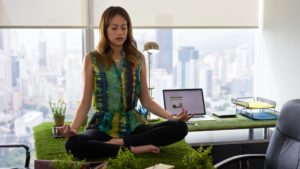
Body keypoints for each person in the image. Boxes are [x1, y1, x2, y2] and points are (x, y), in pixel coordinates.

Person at [61, 6, 189, 159]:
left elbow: (146, 100)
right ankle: (133, 149)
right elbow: (85, 103)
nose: (120, 32)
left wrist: (171, 117)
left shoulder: (138, 58)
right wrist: (73, 129)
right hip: (102, 127)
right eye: (114, 28)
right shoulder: (92, 59)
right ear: (105, 30)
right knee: (72, 144)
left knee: (180, 127)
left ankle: (119, 143)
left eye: (124, 27)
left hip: (133, 125)